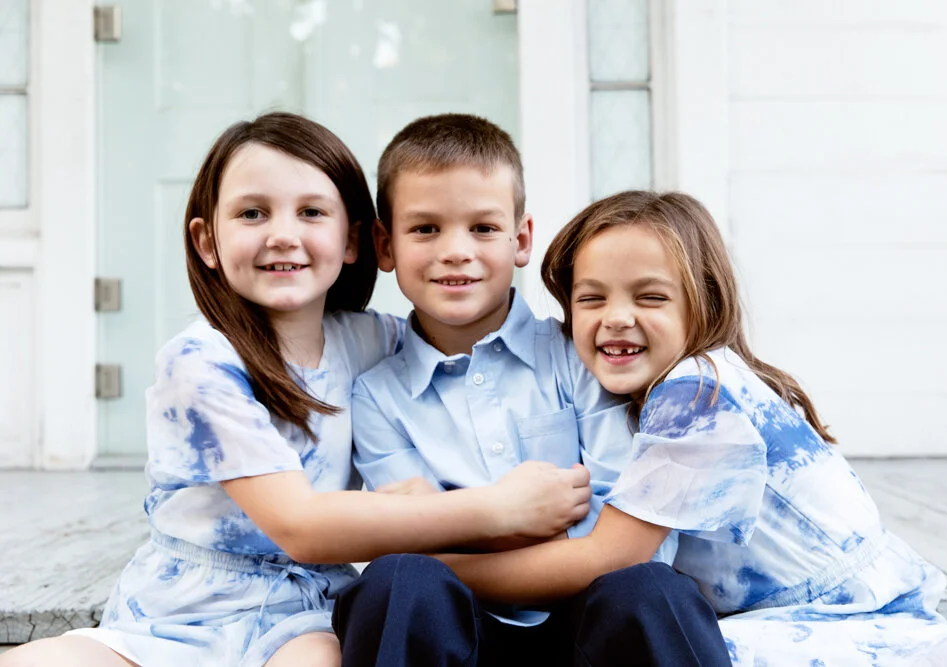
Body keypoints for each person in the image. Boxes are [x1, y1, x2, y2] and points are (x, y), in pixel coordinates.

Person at [0, 113, 595, 667]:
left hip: (306, 614)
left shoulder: (371, 341)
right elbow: (300, 525)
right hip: (179, 613)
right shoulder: (201, 361)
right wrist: (496, 507)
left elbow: (473, 350)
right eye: (252, 214)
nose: (283, 235)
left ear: (355, 240)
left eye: (311, 212)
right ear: (207, 241)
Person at [436, 189, 947, 666]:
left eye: (650, 297)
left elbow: (609, 558)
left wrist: (441, 569)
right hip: (800, 611)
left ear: (702, 301)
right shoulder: (672, 387)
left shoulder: (698, 393)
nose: (616, 317)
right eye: (591, 298)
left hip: (833, 619)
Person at [332, 115, 730, 667]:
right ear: (385, 244)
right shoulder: (377, 397)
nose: (456, 250)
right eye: (425, 229)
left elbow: (623, 540)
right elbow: (410, 540)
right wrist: (511, 515)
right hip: (461, 633)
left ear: (520, 240)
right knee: (397, 580)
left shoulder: (579, 354)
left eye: (483, 228)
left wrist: (455, 522)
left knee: (650, 588)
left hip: (588, 626)